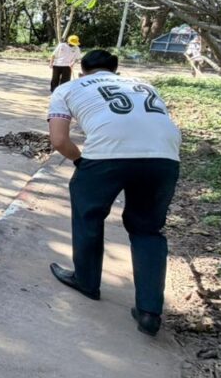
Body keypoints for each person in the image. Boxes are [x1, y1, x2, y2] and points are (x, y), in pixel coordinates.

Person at [46, 49, 181, 337]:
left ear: (82, 71)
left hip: (107, 155)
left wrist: (81, 161)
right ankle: (149, 311)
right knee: (148, 230)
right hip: (165, 157)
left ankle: (86, 281)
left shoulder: (67, 88)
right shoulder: (143, 85)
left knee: (88, 214)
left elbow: (59, 140)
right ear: (116, 72)